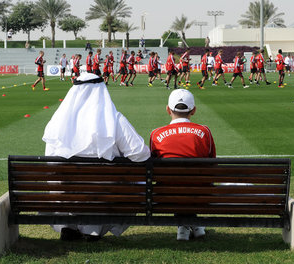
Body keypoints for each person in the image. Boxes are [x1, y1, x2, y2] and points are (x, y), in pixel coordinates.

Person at [43, 72, 150, 241]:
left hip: (66, 194)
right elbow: (140, 154)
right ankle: (92, 229)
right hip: (106, 194)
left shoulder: (56, 123)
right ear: (101, 90)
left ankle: (68, 226)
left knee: (60, 181)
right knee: (132, 180)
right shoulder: (114, 120)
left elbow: (50, 161)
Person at [149, 89, 216, 241]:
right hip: (201, 195)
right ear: (193, 110)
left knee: (176, 184)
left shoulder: (155, 134)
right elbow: (212, 164)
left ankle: (184, 226)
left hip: (166, 196)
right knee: (191, 183)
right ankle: (193, 224)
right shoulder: (204, 131)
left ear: (168, 109)